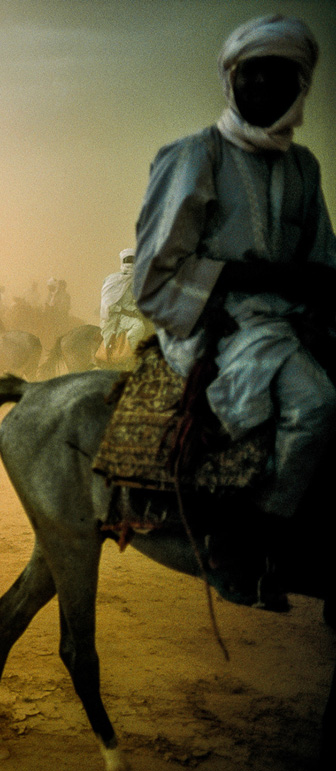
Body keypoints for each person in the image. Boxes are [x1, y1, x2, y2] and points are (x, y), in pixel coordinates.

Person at [133, 14, 336, 606]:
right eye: (250, 76)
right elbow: (153, 275)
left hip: (289, 315)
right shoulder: (195, 155)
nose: (262, 89)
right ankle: (255, 537)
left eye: (279, 77)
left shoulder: (304, 168)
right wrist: (241, 282)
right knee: (316, 403)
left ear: (300, 86)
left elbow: (318, 257)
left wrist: (309, 295)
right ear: (231, 81)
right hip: (212, 314)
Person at [99, 249, 150, 362]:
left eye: (133, 260)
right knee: (138, 326)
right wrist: (126, 312)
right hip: (118, 315)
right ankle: (130, 357)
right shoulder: (113, 280)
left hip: (134, 313)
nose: (130, 263)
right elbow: (108, 304)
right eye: (128, 260)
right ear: (122, 261)